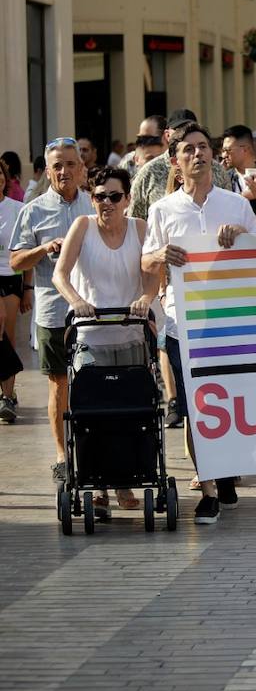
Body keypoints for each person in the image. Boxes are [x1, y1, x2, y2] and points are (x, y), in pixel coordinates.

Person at [143, 122, 256, 523]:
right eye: (189, 150)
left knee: (230, 405)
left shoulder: (235, 204)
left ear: (213, 156)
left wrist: (242, 235)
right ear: (176, 162)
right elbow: (145, 261)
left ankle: (228, 467)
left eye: (203, 148)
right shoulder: (162, 210)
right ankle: (210, 485)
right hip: (183, 324)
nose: (198, 154)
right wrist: (162, 253)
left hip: (231, 324)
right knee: (197, 407)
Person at [51, 166, 158, 514]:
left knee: (130, 413)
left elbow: (153, 274)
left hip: (131, 335)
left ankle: (126, 484)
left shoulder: (140, 229)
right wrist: (76, 302)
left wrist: (145, 298)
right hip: (90, 337)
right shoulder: (82, 227)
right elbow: (60, 274)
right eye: (99, 197)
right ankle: (97, 486)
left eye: (114, 196)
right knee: (93, 415)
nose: (106, 203)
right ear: (92, 199)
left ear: (127, 199)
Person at [8, 138, 94, 481]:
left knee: (94, 383)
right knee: (59, 385)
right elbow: (15, 261)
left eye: (71, 164)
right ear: (47, 171)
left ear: (82, 167)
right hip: (53, 312)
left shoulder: (97, 203)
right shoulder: (34, 209)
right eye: (57, 165)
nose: (64, 171)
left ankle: (94, 450)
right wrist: (43, 248)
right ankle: (62, 454)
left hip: (93, 313)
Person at [130, 109, 235, 219]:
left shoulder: (217, 170)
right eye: (179, 129)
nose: (185, 133)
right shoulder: (149, 173)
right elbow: (134, 222)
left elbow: (230, 209)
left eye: (190, 128)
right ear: (167, 135)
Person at [0, 188, 30, 424]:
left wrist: (28, 288)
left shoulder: (17, 209)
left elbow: (26, 248)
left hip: (10, 277)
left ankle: (7, 395)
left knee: (7, 337)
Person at [221, 124, 256, 216]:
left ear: (245, 149)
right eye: (223, 150)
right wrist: (242, 196)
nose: (224, 155)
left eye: (228, 150)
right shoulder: (224, 179)